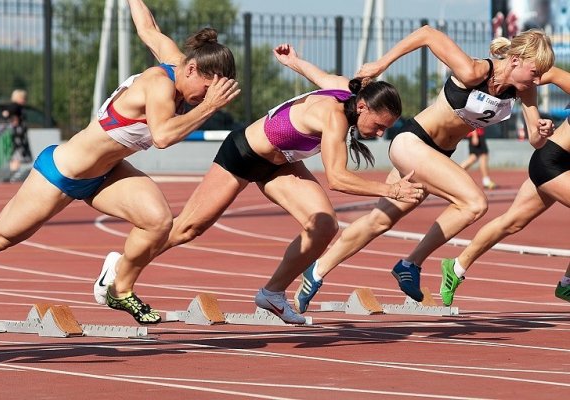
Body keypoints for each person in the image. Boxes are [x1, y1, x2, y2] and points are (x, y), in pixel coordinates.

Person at [94, 41, 426, 324]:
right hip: (243, 154)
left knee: (324, 225)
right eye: (379, 126)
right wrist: (390, 189)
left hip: (279, 163)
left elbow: (318, 76)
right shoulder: (334, 116)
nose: (379, 134)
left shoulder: (347, 88)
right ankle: (121, 267)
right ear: (363, 106)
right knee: (188, 229)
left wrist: (293, 61)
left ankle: (272, 293)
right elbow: (337, 178)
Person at [0, 0, 240, 325]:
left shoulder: (178, 63)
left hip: (107, 173)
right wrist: (208, 107)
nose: (207, 96)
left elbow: (148, 29)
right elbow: (164, 136)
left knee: (158, 222)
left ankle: (118, 287)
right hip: (62, 172)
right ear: (193, 70)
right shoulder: (160, 85)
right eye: (208, 90)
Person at [291, 25, 556, 313]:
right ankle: (410, 264)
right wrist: (381, 64)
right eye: (535, 72)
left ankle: (315, 272)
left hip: (436, 156)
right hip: (413, 143)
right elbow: (428, 34)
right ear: (515, 60)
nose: (539, 79)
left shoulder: (523, 91)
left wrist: (542, 130)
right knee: (474, 203)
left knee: (380, 220)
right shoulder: (474, 71)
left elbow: (534, 138)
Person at [440, 65, 570, 306]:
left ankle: (456, 267)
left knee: (512, 221)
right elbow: (545, 72)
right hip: (551, 162)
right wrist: (516, 81)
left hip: (562, 168)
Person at [3, 89, 31, 182]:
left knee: (15, 152)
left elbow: (5, 113)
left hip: (17, 133)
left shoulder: (14, 106)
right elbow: (7, 113)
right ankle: (14, 173)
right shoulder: (16, 106)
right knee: (18, 152)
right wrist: (14, 119)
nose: (24, 100)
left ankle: (13, 173)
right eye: (23, 98)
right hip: (18, 133)